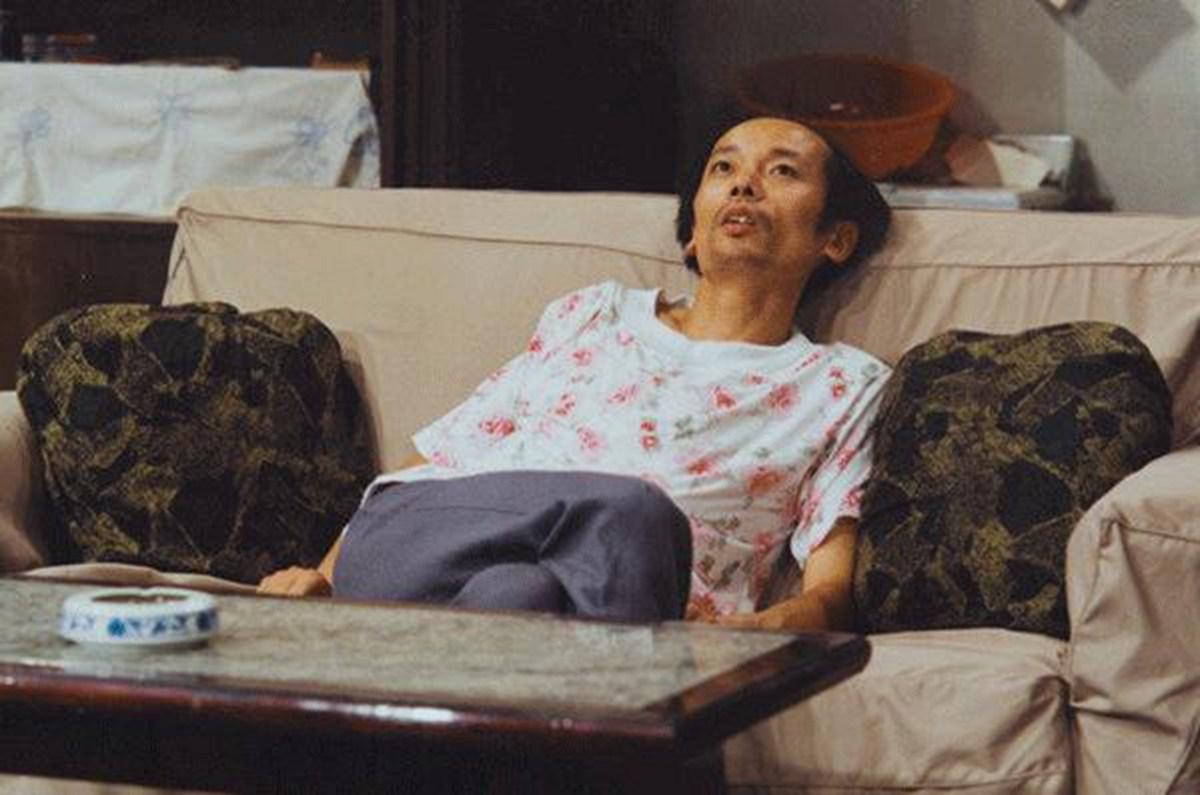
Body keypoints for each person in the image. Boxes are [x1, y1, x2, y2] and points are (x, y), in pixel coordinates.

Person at [259, 115, 893, 631]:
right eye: (723, 168)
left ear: (835, 240)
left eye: (782, 171)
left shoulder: (841, 385)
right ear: (692, 236)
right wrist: (325, 576)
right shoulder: (593, 314)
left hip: (610, 602)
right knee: (633, 513)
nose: (744, 185)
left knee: (523, 592)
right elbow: (446, 459)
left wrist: (773, 626)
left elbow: (829, 590)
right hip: (423, 550)